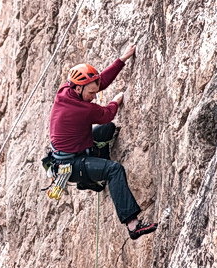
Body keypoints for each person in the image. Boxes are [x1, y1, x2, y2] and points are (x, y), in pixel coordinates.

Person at [47, 45, 158, 240]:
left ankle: (93, 176)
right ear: (78, 88)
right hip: (72, 165)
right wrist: (115, 101)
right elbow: (107, 114)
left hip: (74, 152)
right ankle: (133, 226)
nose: (95, 96)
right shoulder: (82, 110)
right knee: (114, 169)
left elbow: (98, 83)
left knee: (107, 131)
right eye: (91, 94)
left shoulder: (66, 90)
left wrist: (121, 60)